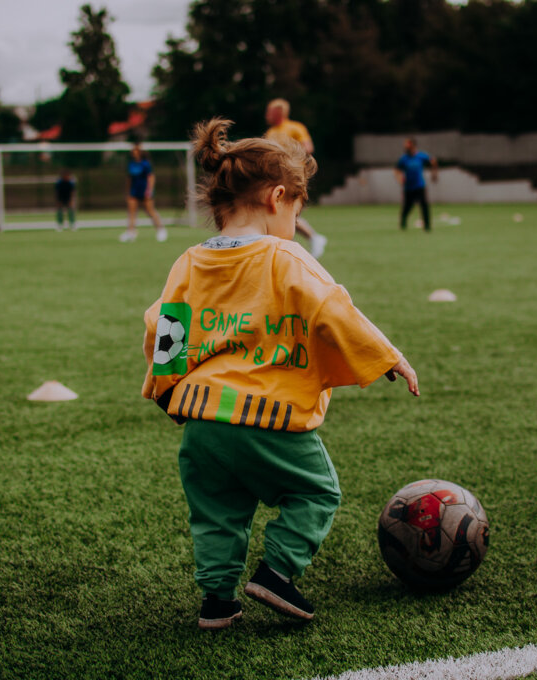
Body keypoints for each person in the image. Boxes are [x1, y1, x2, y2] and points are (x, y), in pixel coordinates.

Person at [141, 118, 419, 630]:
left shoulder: (189, 261)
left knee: (217, 512)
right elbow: (334, 308)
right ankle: (276, 573)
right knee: (318, 492)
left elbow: (166, 322)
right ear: (276, 197)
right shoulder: (286, 255)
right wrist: (388, 356)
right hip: (264, 414)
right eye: (297, 206)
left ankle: (217, 602)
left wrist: (164, 391)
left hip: (202, 420)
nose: (295, 218)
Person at [264, 98, 328, 258]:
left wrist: (287, 158)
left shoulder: (295, 128)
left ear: (278, 112)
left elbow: (308, 148)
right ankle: (310, 239)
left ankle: (313, 238)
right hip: (274, 177)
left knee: (285, 212)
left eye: (269, 111)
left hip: (290, 177)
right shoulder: (271, 132)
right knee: (278, 212)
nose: (267, 115)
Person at [118, 143, 168, 243]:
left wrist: (149, 190)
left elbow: (151, 177)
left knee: (150, 211)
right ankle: (131, 233)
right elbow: (129, 179)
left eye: (136, 152)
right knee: (132, 213)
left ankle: (161, 230)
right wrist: (128, 192)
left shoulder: (146, 164)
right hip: (134, 191)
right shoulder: (131, 164)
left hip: (145, 191)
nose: (134, 153)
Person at [394, 138, 438, 231]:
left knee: (424, 205)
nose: (405, 147)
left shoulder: (421, 156)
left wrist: (434, 174)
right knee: (408, 206)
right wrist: (400, 179)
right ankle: (403, 222)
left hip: (419, 185)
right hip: (408, 187)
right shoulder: (404, 158)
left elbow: (433, 161)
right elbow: (397, 170)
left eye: (407, 144)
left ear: (413, 145)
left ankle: (427, 226)